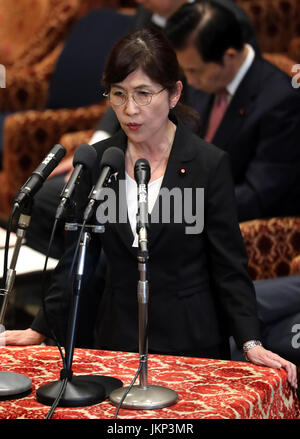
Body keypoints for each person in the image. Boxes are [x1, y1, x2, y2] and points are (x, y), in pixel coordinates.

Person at [3, 27, 297, 388]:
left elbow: (229, 267)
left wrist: (251, 342)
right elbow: (79, 260)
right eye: (119, 94)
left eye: (143, 94)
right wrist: (39, 329)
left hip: (192, 346)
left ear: (174, 94)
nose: (130, 110)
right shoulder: (99, 162)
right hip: (116, 341)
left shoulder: (208, 164)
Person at [25, 0, 259, 258]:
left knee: (116, 228)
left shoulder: (222, 22)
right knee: (47, 197)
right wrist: (97, 150)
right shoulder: (150, 11)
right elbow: (125, 85)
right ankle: (64, 290)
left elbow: (221, 108)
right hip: (145, 151)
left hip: (184, 167)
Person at [165, 1, 300, 222]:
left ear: (229, 58)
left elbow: (258, 196)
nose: (189, 81)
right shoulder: (206, 77)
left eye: (194, 71)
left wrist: (183, 209)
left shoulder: (281, 103)